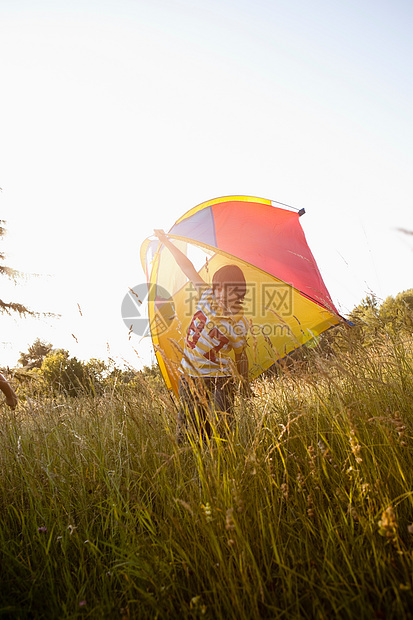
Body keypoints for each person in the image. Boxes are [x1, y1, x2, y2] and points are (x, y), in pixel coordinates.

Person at [154, 230, 250, 440]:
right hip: (190, 375)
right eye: (219, 289)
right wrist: (167, 242)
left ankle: (222, 461)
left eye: (230, 291)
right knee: (189, 430)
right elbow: (187, 267)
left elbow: (241, 355)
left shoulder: (240, 324)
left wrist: (245, 384)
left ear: (240, 292)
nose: (223, 295)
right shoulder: (206, 295)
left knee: (222, 426)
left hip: (220, 379)